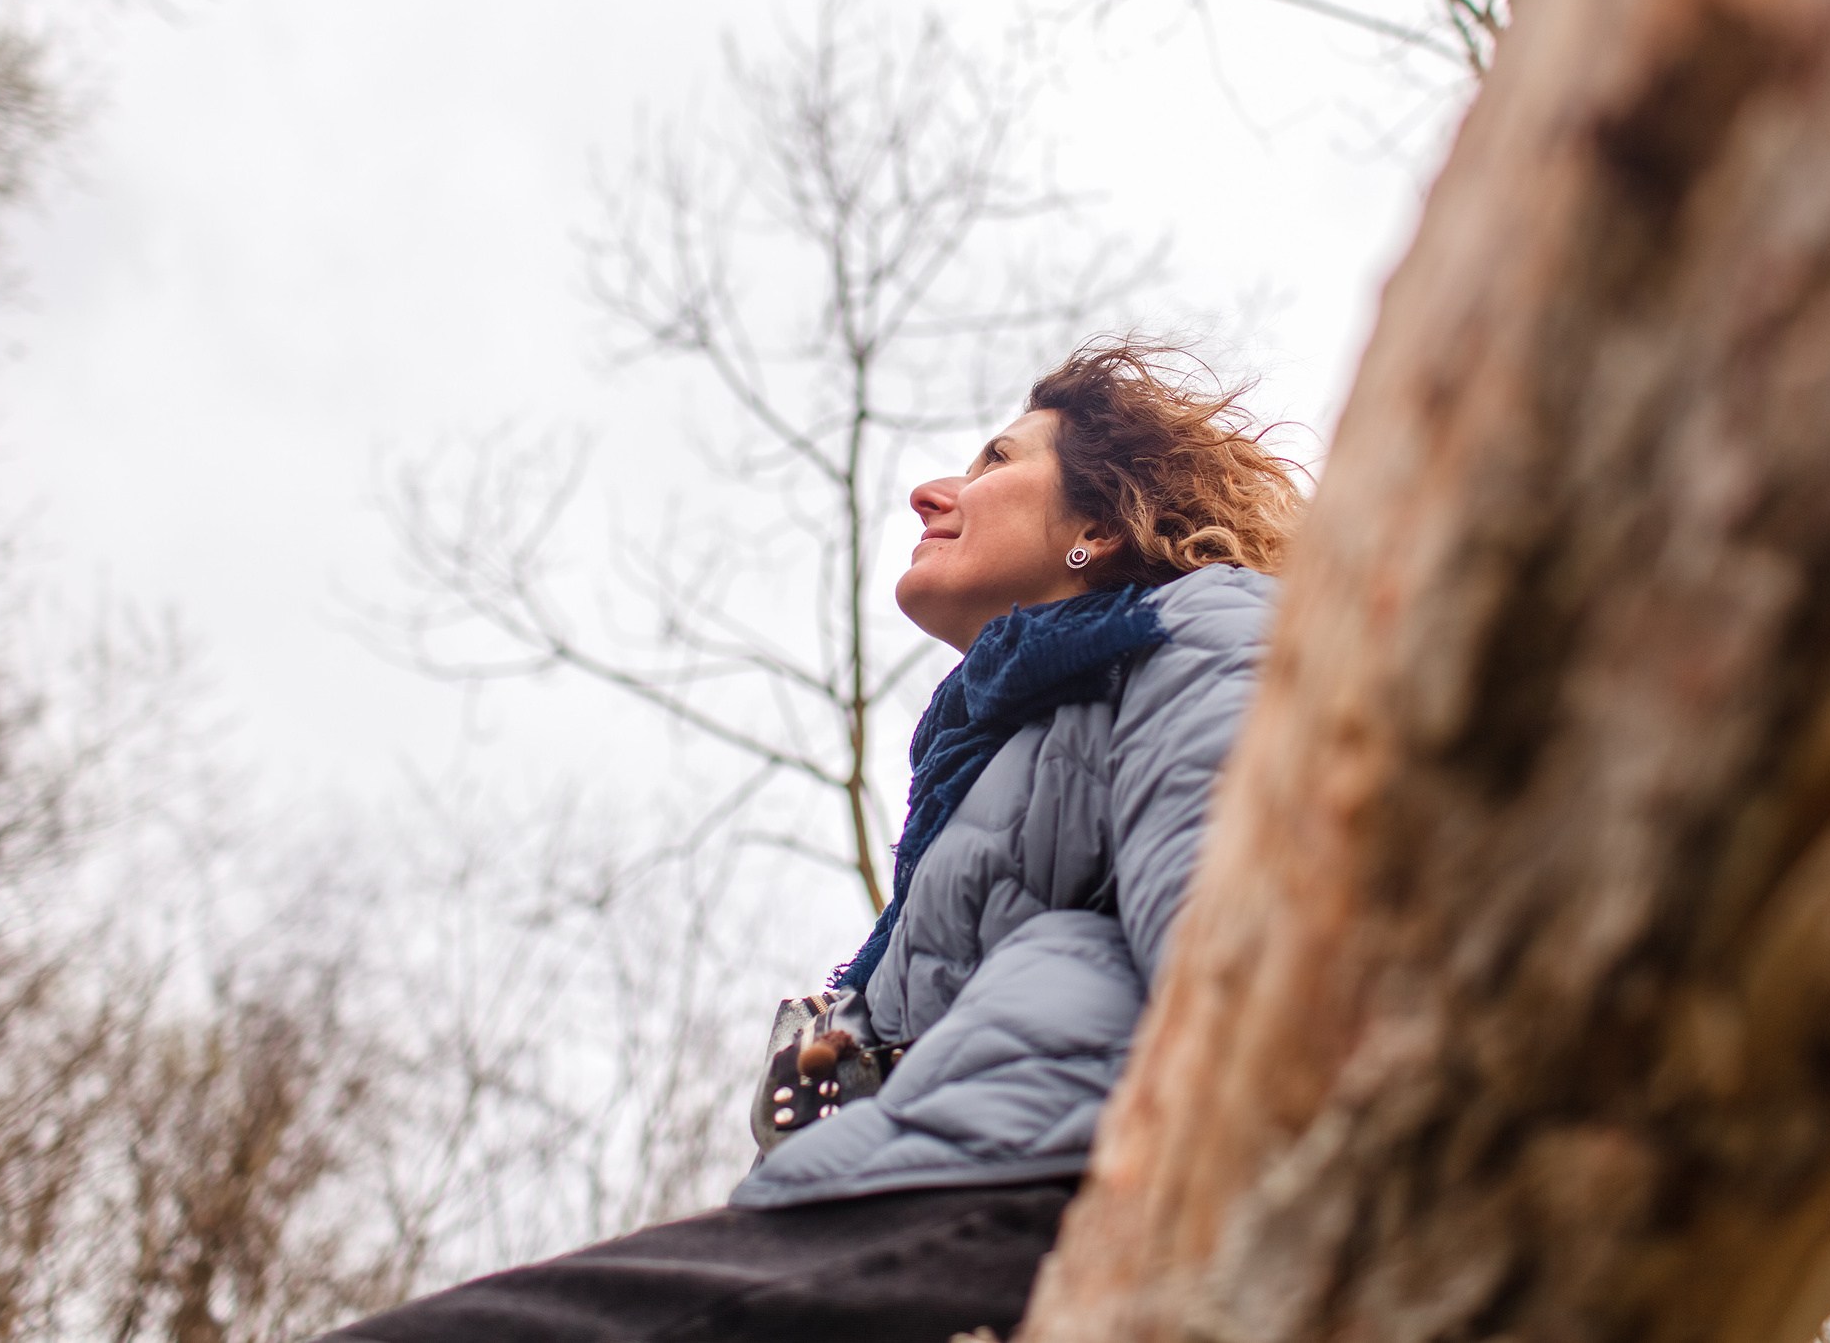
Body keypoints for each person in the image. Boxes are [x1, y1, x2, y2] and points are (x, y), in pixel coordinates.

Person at [321, 340, 1305, 1343]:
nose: (930, 493)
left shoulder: (1199, 627)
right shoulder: (1001, 751)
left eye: (996, 460)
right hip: (922, 1194)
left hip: (1038, 1199)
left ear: (1096, 525)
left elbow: (1250, 957)